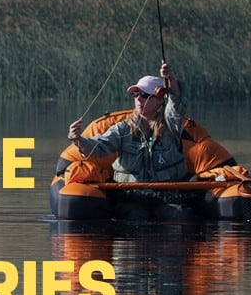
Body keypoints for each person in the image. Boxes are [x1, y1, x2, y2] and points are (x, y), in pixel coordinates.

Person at [67, 61, 194, 220]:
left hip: (166, 198)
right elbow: (98, 148)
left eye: (145, 95)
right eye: (136, 95)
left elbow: (176, 106)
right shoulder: (123, 129)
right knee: (134, 217)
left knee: (180, 216)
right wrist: (78, 139)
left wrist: (171, 81)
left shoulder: (172, 126)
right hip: (131, 198)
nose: (139, 99)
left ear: (160, 99)